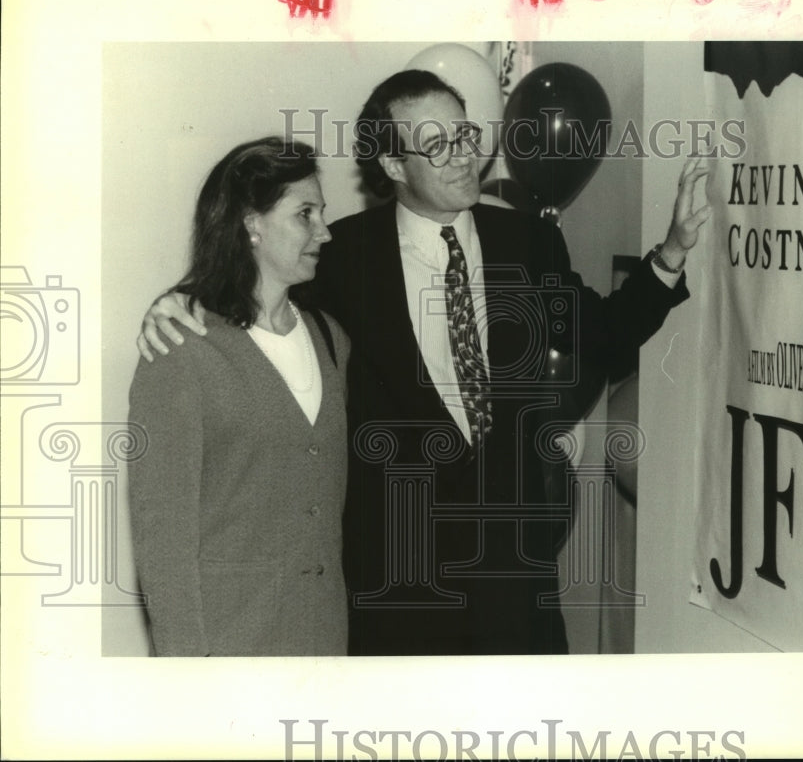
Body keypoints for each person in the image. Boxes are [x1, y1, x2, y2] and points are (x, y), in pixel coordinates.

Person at [137, 70, 711, 655]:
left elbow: (604, 338)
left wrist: (672, 251)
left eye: (464, 135)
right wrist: (180, 302)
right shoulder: (338, 257)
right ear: (392, 166)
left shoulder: (527, 243)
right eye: (437, 146)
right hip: (394, 596)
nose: (463, 157)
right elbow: (254, 300)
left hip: (515, 585)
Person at [128, 137, 351, 656]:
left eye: (322, 213)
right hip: (229, 648)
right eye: (305, 214)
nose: (325, 230)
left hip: (323, 646)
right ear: (251, 223)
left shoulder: (330, 339)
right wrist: (189, 670)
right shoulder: (181, 347)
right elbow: (163, 540)